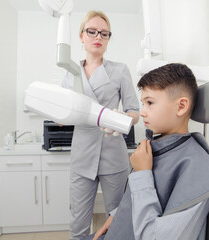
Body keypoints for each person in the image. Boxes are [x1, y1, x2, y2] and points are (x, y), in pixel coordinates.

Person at [84, 63, 209, 240]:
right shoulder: (162, 145)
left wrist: (143, 174)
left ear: (181, 106)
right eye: (143, 104)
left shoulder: (198, 170)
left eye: (150, 103)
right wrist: (117, 215)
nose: (142, 112)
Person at [62, 10, 140, 240]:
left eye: (104, 34)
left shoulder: (120, 70)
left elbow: (134, 111)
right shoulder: (71, 72)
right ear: (81, 36)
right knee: (78, 222)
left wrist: (123, 118)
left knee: (116, 217)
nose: (98, 37)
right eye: (92, 31)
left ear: (108, 38)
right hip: (82, 154)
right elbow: (64, 112)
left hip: (112, 152)